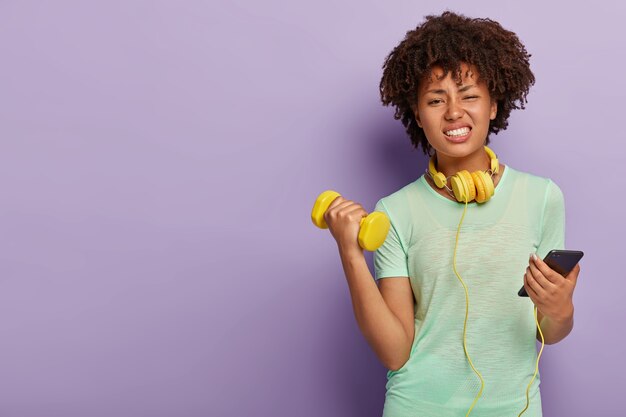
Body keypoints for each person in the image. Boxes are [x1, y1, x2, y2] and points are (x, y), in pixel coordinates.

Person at [323, 10, 581, 417]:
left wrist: (559, 309)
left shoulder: (543, 197)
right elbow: (394, 352)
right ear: (418, 114)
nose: (453, 112)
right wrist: (351, 253)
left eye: (469, 95)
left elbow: (549, 332)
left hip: (513, 409)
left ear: (494, 105)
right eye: (435, 99)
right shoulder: (394, 212)